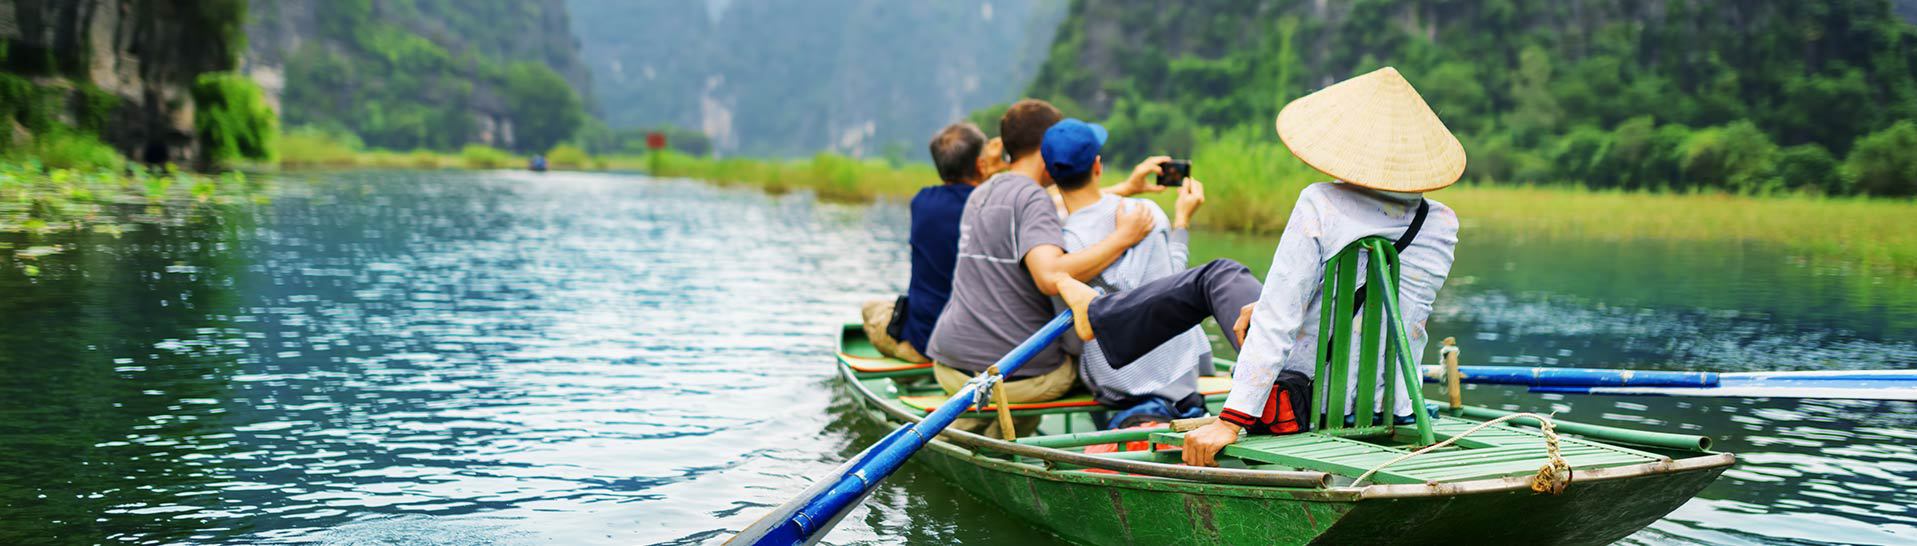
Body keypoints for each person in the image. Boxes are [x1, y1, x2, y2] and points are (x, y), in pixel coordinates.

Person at [1049, 67, 1464, 467]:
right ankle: (1102, 316)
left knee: (1219, 274)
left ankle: (1098, 315)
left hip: (1302, 402)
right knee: (1244, 293)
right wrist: (1266, 306)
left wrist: (1232, 420)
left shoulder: (1321, 203)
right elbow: (1380, 307)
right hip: (1390, 406)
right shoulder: (1442, 223)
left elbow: (1280, 320)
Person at [924, 99, 1167, 438]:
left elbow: (1045, 204)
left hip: (949, 364)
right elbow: (1050, 275)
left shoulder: (985, 191)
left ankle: (984, 433)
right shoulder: (1033, 199)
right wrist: (1122, 238)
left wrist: (1125, 188)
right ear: (1046, 147)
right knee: (1096, 364)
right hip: (1012, 378)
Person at [1040, 118, 1214, 428]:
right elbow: (1176, 285)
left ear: (1049, 173)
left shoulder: (1053, 243)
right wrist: (1182, 222)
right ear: (1098, 165)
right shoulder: (1144, 213)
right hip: (1179, 375)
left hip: (1116, 384)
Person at [860, 123, 999, 362]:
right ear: (980, 165)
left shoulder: (922, 202)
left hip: (924, 341)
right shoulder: (995, 207)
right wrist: (998, 167)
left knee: (871, 308)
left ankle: (909, 353)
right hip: (981, 341)